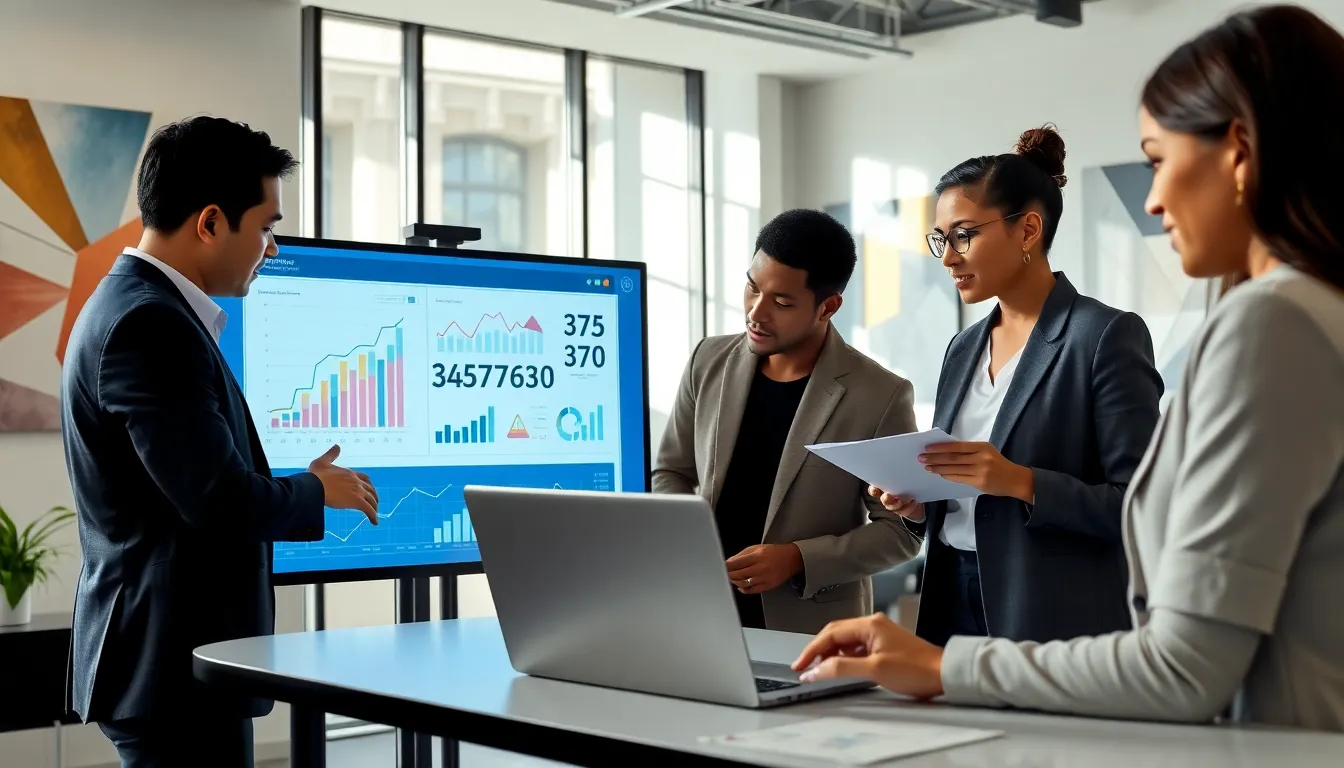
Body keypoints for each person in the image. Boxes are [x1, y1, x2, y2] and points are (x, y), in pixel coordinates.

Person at [792, 4, 1344, 731]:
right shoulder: (1312, 308)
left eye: (1156, 159)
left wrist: (939, 666)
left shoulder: (1264, 322)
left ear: (1239, 151)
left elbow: (1185, 667)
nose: (1151, 199)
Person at [61, 117, 380, 766]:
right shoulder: (150, 323)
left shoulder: (137, 306)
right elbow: (216, 500)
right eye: (265, 227)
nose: (273, 248)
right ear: (210, 223)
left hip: (172, 665)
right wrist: (315, 491)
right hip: (173, 670)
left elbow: (187, 479)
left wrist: (293, 482)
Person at [882, 125, 1163, 648]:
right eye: (941, 238)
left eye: (964, 235)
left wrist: (1022, 481)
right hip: (950, 600)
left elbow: (1143, 506)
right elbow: (969, 495)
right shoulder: (962, 348)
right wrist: (922, 502)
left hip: (1047, 613)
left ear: (1028, 229)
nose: (947, 257)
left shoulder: (1104, 337)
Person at [654, 209, 921, 634]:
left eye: (781, 302)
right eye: (752, 288)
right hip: (698, 615)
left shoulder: (880, 394)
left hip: (811, 630)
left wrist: (798, 558)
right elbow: (671, 471)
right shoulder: (707, 361)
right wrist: (689, 539)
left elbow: (902, 532)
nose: (756, 313)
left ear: (828, 307)